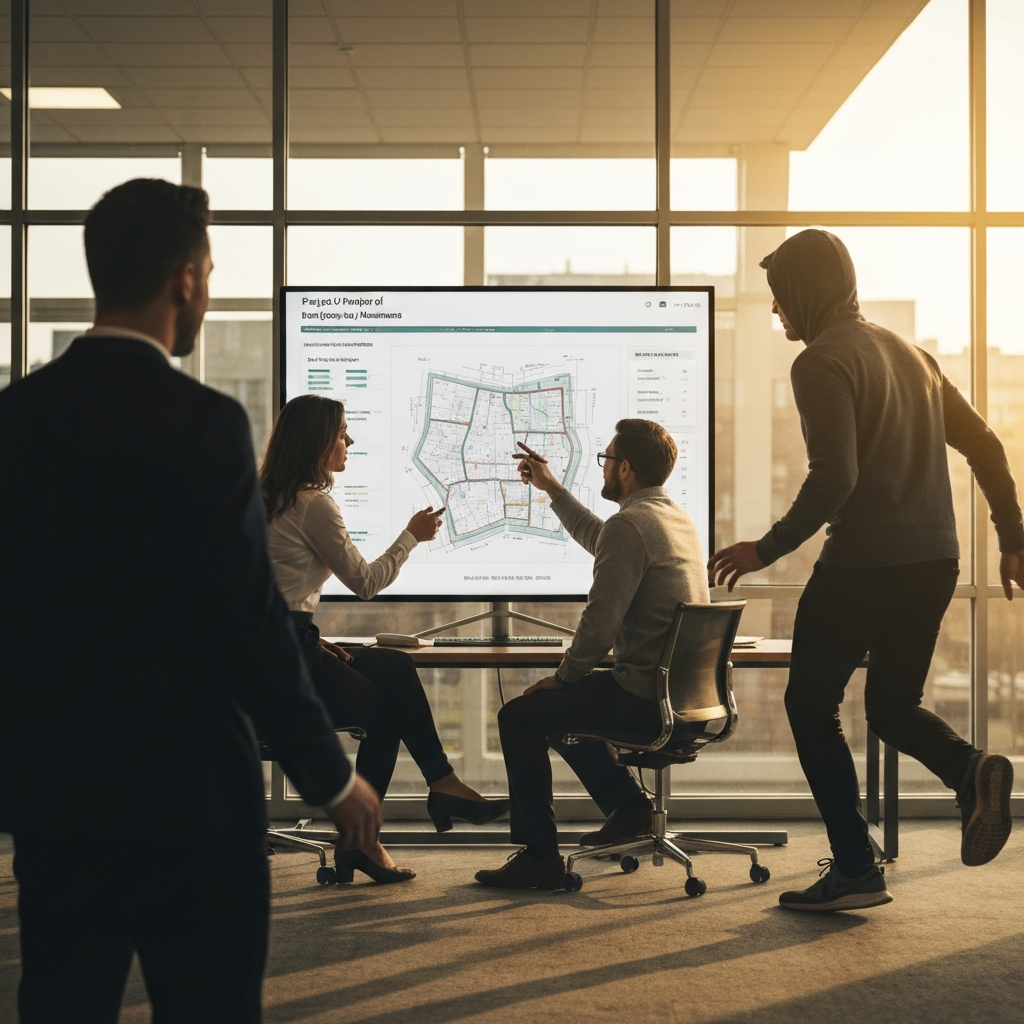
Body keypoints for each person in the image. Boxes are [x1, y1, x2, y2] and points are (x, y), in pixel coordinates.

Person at [0, 179, 381, 1024]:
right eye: (209, 270)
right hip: (190, 795)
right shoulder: (201, 422)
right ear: (184, 279)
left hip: (57, 791)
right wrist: (330, 776)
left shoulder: (16, 417)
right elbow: (245, 621)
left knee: (63, 1005)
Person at [708, 228, 1024, 913]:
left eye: (779, 299)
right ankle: (969, 768)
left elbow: (835, 477)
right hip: (935, 557)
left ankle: (855, 866)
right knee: (890, 707)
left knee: (808, 703)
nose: (775, 314)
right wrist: (1012, 535)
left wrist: (765, 548)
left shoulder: (819, 362)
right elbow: (986, 444)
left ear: (804, 291)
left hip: (865, 561)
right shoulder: (912, 355)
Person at [260, 394, 510, 884]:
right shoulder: (314, 505)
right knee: (381, 706)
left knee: (394, 667)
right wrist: (412, 536)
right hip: (284, 650)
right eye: (341, 432)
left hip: (273, 640)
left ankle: (441, 783)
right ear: (316, 443)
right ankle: (365, 838)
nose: (349, 440)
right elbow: (366, 583)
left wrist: (314, 637)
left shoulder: (266, 496)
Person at [473, 419, 710, 889]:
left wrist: (563, 676)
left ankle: (540, 857)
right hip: (684, 699)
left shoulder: (631, 525)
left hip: (647, 701)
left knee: (522, 715)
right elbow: (602, 537)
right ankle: (629, 807)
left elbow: (599, 624)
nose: (602, 468)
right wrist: (551, 487)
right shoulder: (670, 518)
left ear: (623, 467)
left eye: (605, 460)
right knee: (557, 709)